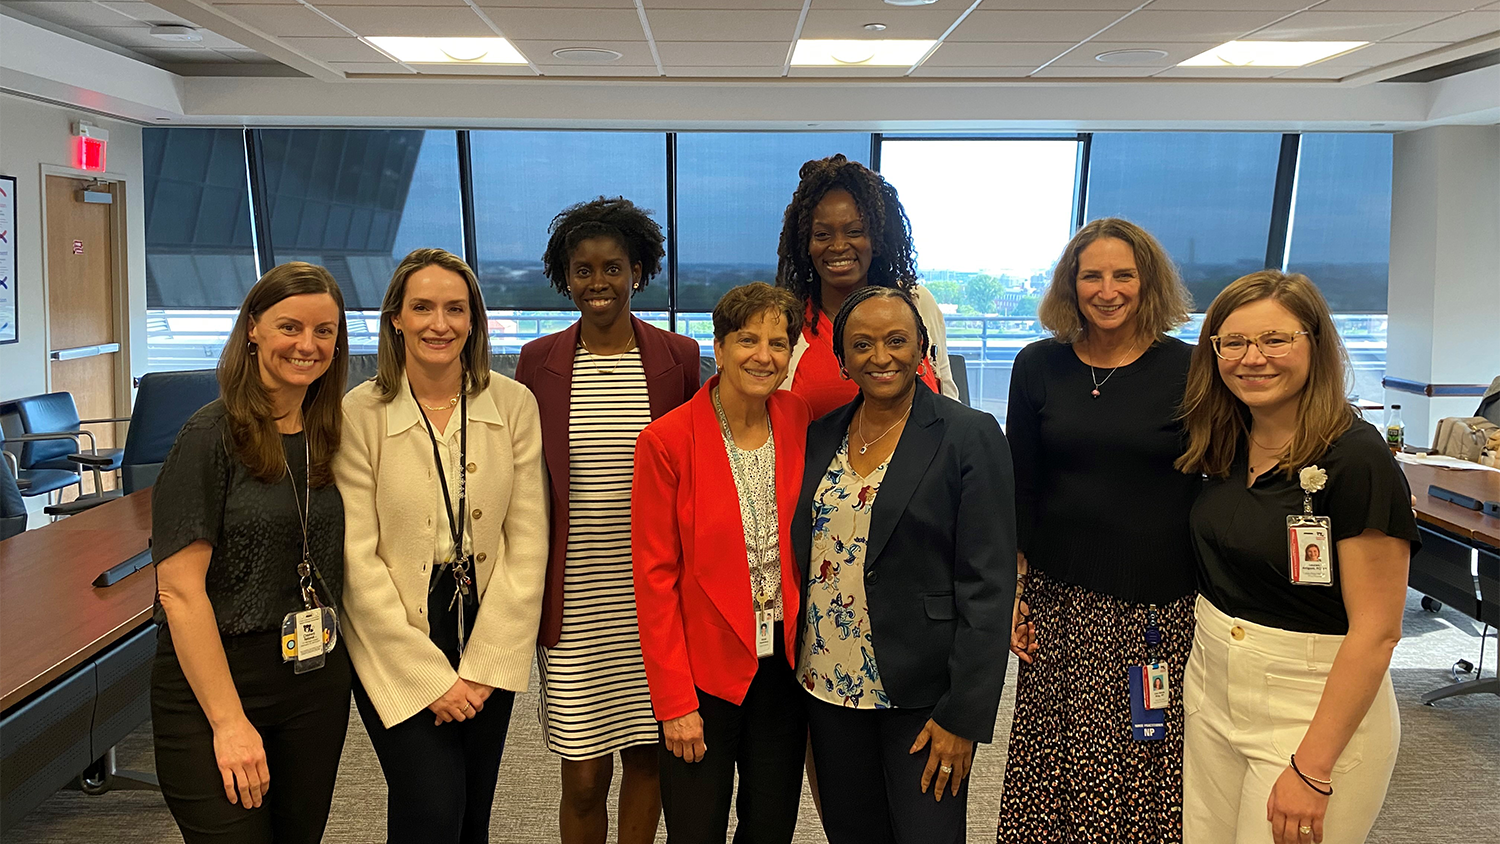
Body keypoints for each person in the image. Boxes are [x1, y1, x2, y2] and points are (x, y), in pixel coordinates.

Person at [1176, 270, 1416, 844]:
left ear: (1315, 343)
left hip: (1310, 708)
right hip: (1211, 689)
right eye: (1232, 342)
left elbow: (1379, 632)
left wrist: (1312, 767)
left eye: (1275, 339)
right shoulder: (1224, 442)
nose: (1252, 358)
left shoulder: (1358, 459)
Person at [334, 248, 547, 844]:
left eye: (456, 309)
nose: (439, 323)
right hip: (395, 632)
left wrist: (485, 666)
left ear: (474, 320)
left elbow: (528, 540)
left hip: (487, 623)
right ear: (395, 318)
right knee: (430, 809)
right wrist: (432, 678)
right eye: (422, 307)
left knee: (472, 813)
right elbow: (357, 557)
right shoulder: (360, 412)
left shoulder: (513, 405)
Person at [998, 218, 1201, 842]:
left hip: (1160, 609)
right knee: (1055, 765)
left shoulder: (1192, 369)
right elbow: (1020, 487)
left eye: (1123, 275)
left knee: (1145, 767)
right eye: (1092, 275)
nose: (1107, 290)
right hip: (1063, 604)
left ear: (1149, 283)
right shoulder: (1038, 366)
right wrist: (1013, 591)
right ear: (1071, 284)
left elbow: (1213, 481)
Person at [793, 285, 1016, 844]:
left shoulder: (969, 434)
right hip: (829, 686)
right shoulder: (822, 436)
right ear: (842, 359)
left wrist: (963, 715)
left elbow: (989, 583)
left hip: (923, 694)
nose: (881, 356)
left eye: (897, 340)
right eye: (861, 344)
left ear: (922, 347)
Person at [515, 197, 700, 844]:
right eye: (584, 270)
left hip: (654, 597)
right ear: (565, 277)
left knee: (648, 758)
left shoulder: (677, 356)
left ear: (638, 271)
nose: (599, 283)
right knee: (584, 776)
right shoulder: (536, 363)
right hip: (573, 597)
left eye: (613, 268)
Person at [151, 262, 351, 844]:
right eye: (290, 326)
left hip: (314, 681)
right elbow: (179, 591)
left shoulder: (332, 432)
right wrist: (228, 721)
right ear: (253, 330)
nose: (307, 345)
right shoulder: (209, 436)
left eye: (325, 331)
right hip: (217, 681)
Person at [631, 282, 812, 843]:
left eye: (778, 343)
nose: (764, 356)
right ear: (719, 344)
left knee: (770, 824)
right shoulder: (667, 440)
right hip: (705, 670)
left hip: (782, 664)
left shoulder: (797, 416)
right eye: (748, 339)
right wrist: (674, 704)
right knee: (696, 825)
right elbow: (654, 580)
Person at [775, 153, 959, 419]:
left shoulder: (917, 304)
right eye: (822, 235)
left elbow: (948, 402)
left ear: (877, 237)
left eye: (854, 232)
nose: (838, 246)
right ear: (805, 243)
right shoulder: (787, 322)